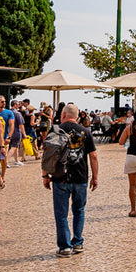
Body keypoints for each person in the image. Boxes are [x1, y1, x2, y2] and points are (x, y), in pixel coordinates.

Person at [42, 103, 99, 257]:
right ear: (78, 115)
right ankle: (78, 243)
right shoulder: (86, 131)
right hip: (81, 178)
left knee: (61, 214)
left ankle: (65, 247)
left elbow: (47, 155)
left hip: (60, 178)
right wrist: (95, 177)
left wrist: (45, 175)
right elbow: (93, 156)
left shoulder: (55, 130)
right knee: (79, 211)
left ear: (63, 115)